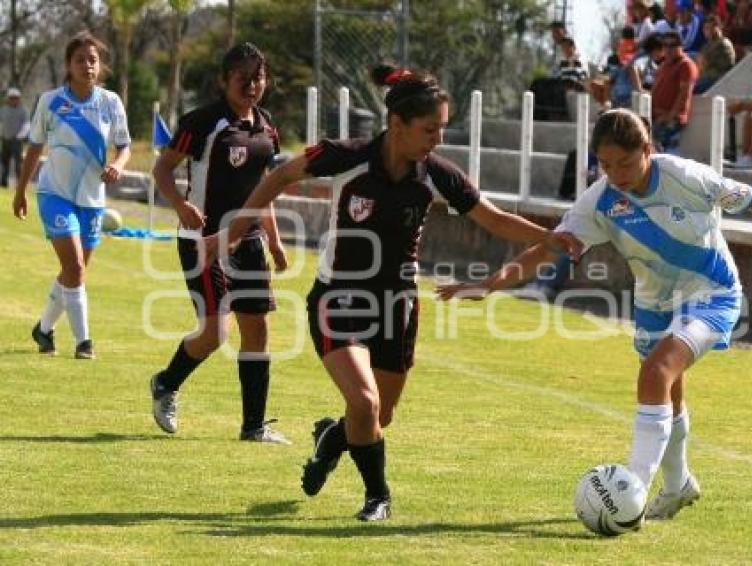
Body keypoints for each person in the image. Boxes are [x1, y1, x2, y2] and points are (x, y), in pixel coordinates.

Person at [437, 108, 752, 521]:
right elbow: (548, 249)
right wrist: (491, 283)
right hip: (653, 303)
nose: (616, 173)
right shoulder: (600, 199)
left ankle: (630, 489)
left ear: (648, 150)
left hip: (714, 292)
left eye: (626, 163)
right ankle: (678, 484)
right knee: (668, 390)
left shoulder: (684, 176)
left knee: (655, 374)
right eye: (606, 164)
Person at [204, 64, 556, 521]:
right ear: (397, 124)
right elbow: (277, 176)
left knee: (377, 417)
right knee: (365, 403)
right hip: (337, 301)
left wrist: (549, 239)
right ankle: (378, 497)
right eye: (430, 129)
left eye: (442, 129)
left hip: (397, 307)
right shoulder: (344, 156)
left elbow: (493, 219)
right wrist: (235, 231)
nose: (438, 139)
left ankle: (331, 439)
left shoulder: (437, 174)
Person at [148, 43, 289, 444]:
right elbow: (162, 168)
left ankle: (254, 427)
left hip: (249, 243)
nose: (252, 85)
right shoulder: (203, 123)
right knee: (214, 333)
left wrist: (275, 242)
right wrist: (180, 206)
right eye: (243, 78)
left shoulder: (267, 128)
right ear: (224, 81)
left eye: (258, 77)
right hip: (203, 241)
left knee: (257, 331)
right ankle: (166, 383)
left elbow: (265, 189)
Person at [12, 31, 131, 359]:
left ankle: (44, 329)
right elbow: (35, 147)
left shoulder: (111, 103)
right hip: (55, 194)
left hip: (92, 200)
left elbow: (124, 146)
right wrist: (21, 191)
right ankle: (84, 342)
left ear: (100, 65)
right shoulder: (50, 101)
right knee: (75, 266)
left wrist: (118, 165)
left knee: (73, 272)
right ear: (68, 64)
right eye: (80, 59)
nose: (87, 65)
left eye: (92, 59)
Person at [651, 31, 698, 153]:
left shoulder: (685, 65)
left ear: (681, 46)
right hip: (657, 117)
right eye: (665, 45)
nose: (668, 49)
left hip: (672, 120)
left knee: (659, 151)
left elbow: (684, 93)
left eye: (673, 45)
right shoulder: (663, 66)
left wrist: (669, 117)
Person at [694, 14, 736, 94]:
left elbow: (705, 63)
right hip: (706, 77)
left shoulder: (723, 43)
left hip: (717, 79)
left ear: (718, 27)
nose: (708, 31)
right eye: (706, 28)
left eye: (711, 28)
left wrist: (703, 62)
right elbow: (701, 63)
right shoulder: (706, 45)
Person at [1, 87, 29, 188]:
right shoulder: (3, 110)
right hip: (5, 139)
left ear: (19, 99)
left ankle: (20, 185)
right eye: (11, 98)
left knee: (18, 164)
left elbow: (26, 124)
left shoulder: (23, 110)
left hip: (17, 141)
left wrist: (19, 136)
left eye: (16, 98)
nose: (13, 100)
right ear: (8, 99)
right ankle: (3, 183)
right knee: (4, 163)